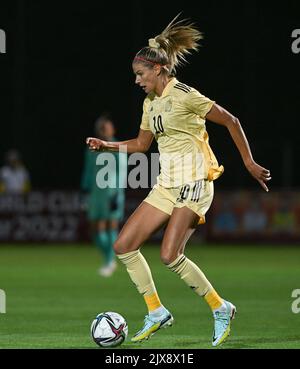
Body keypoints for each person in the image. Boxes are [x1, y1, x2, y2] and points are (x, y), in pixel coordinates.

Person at [86, 15, 271, 346]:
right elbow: (142, 145)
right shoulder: (150, 104)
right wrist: (107, 146)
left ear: (157, 70)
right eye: (135, 76)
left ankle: (220, 308)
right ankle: (156, 311)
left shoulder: (185, 95)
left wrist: (249, 162)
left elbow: (230, 120)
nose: (137, 80)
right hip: (167, 183)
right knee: (123, 245)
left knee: (170, 255)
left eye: (140, 74)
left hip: (196, 180)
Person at [81, 115, 127, 277]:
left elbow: (121, 171)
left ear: (112, 129)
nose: (104, 131)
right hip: (96, 194)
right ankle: (108, 259)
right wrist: (85, 190)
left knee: (110, 226)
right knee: (95, 228)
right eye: (101, 128)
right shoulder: (92, 148)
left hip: (112, 193)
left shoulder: (116, 146)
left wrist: (117, 193)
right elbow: (88, 170)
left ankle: (109, 261)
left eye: (106, 127)